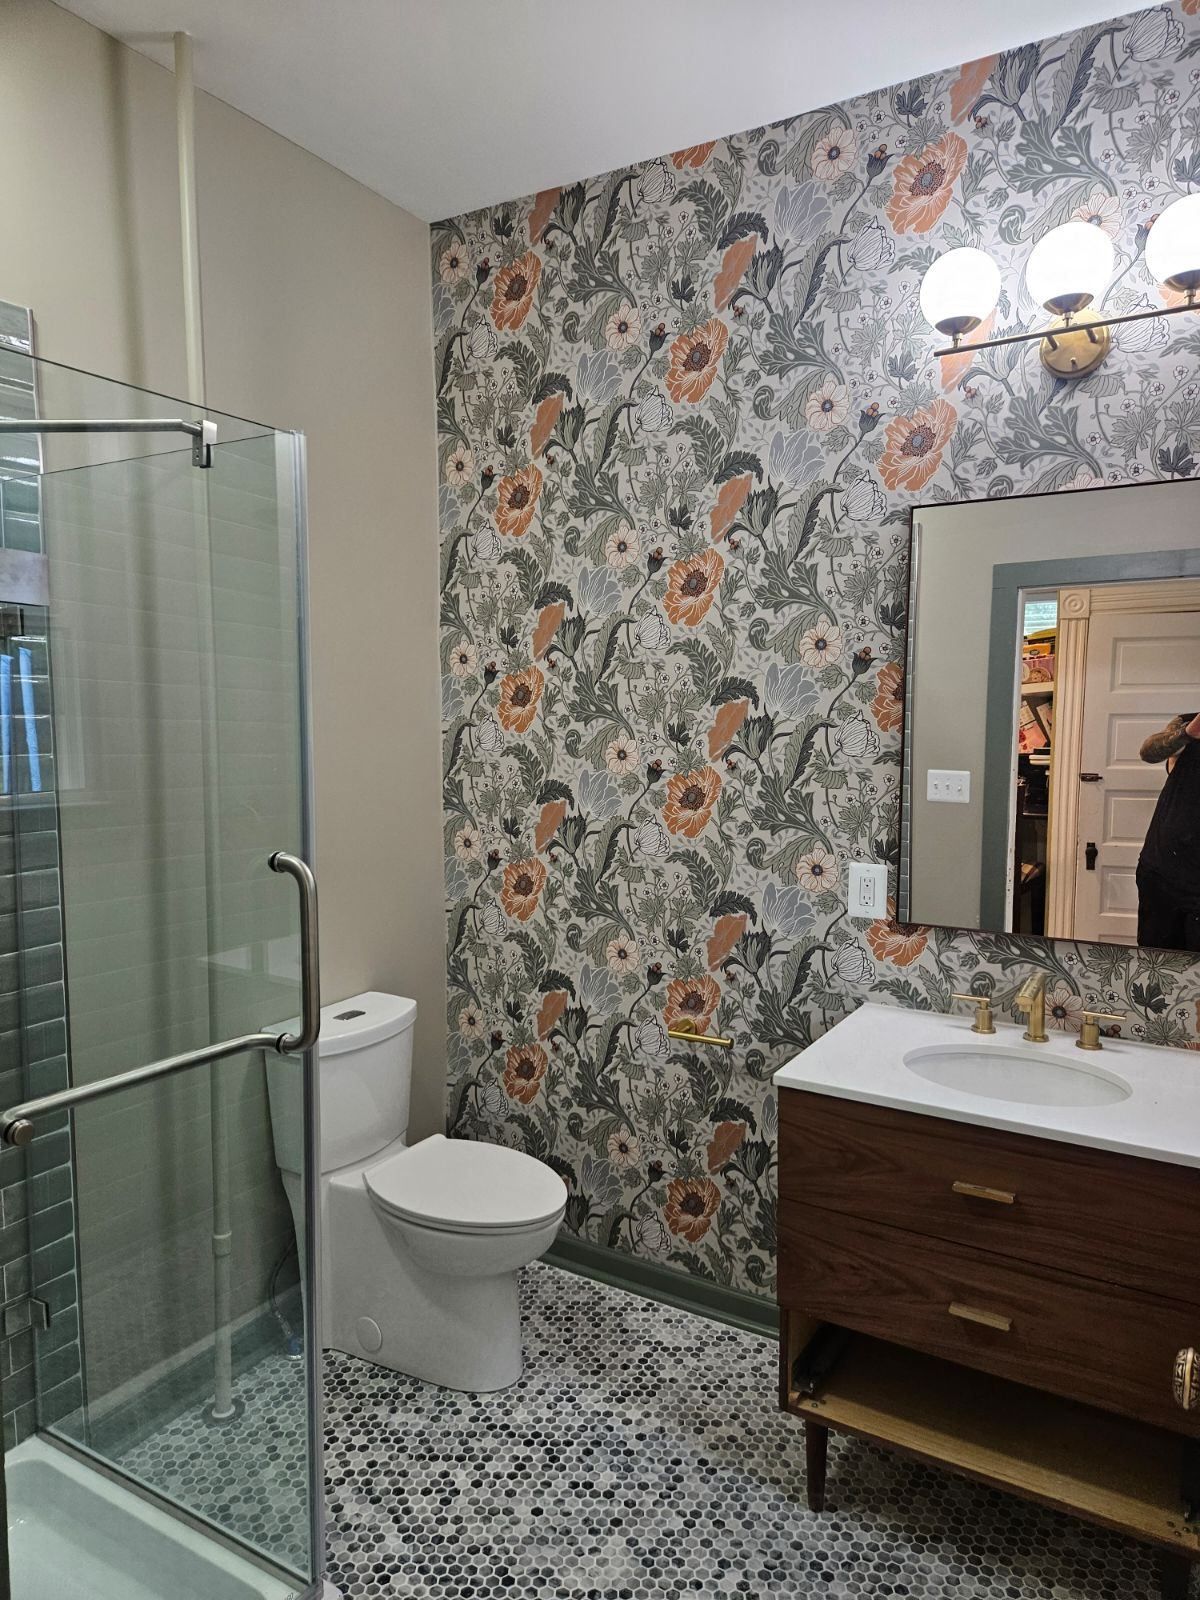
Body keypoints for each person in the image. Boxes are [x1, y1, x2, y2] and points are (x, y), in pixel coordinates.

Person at [1136, 711, 1200, 950]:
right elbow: (1148, 752)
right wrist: (1188, 733)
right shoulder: (1187, 722)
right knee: (1156, 963)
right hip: (1161, 874)